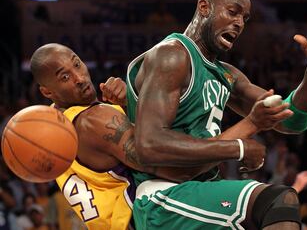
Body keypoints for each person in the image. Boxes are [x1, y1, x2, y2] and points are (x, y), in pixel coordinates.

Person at [126, 0, 307, 230]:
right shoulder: (172, 55)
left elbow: (292, 120)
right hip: (163, 196)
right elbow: (149, 144)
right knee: (278, 201)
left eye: (245, 18)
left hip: (202, 190)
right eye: (232, 12)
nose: (239, 23)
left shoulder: (226, 75)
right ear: (204, 7)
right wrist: (238, 147)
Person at [30, 43, 266, 229]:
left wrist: (129, 105)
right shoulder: (94, 119)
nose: (80, 78)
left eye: (77, 65)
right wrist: (246, 133)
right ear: (46, 91)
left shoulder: (52, 127)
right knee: (271, 203)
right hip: (151, 217)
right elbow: (176, 169)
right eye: (64, 77)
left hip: (125, 221)